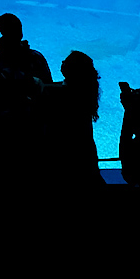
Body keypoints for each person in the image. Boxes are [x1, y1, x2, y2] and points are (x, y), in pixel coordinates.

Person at [0, 12, 52, 186]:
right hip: (35, 142)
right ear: (21, 33)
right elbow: (49, 99)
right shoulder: (36, 59)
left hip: (5, 140)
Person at [46, 50, 105, 185]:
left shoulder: (66, 94)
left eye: (66, 62)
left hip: (68, 155)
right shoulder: (84, 90)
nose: (62, 63)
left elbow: (52, 90)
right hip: (84, 152)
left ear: (73, 69)